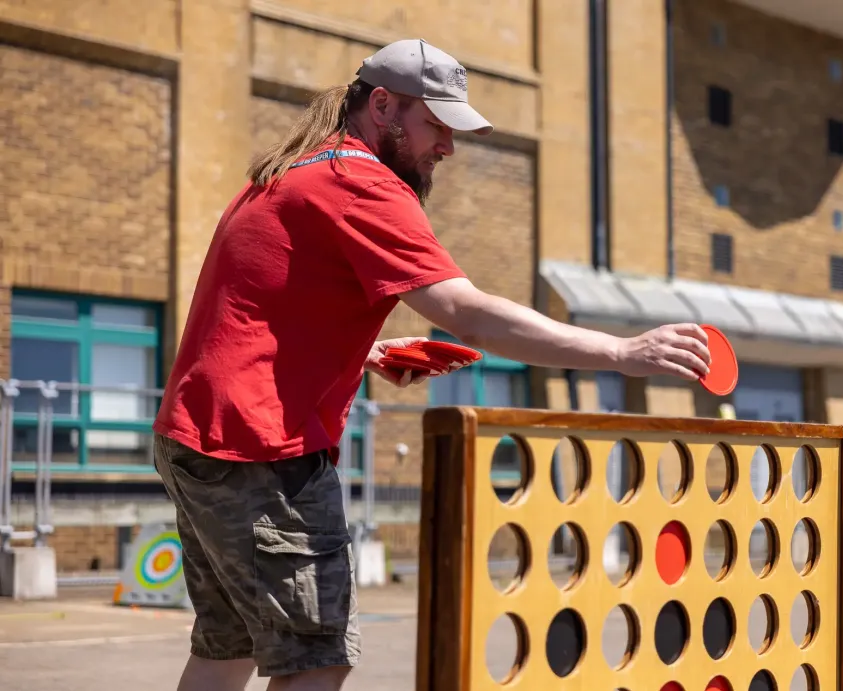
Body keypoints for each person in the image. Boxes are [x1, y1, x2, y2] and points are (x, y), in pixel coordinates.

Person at [152, 38, 712, 691]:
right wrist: (620, 351)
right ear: (382, 104)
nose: (446, 146)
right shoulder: (358, 181)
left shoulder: (300, 168)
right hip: (261, 453)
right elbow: (464, 309)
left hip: (200, 440)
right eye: (435, 126)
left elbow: (255, 311)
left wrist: (365, 352)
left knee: (230, 647)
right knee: (316, 656)